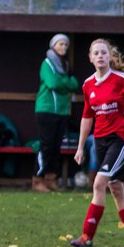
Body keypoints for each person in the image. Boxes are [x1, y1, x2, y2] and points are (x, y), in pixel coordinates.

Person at [69, 39, 124, 247]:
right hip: (100, 141)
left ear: (110, 56)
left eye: (104, 52)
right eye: (97, 53)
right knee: (116, 188)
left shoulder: (122, 80)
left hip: (120, 139)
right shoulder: (88, 84)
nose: (101, 56)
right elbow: (87, 116)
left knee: (98, 184)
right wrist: (80, 146)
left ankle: (87, 236)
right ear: (91, 58)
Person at [35, 33, 77, 192]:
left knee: (56, 147)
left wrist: (64, 82)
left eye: (65, 45)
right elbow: (52, 83)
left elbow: (75, 84)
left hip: (61, 111)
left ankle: (50, 179)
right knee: (46, 145)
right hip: (46, 109)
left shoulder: (65, 65)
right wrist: (66, 83)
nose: (63, 47)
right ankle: (37, 179)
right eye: (60, 44)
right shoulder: (47, 63)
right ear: (53, 45)